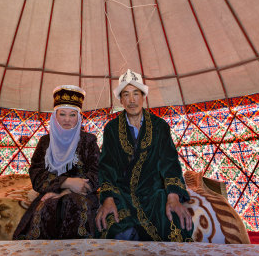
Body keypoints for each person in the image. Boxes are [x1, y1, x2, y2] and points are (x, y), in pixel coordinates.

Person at [95, 69, 193, 241]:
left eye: (136, 94)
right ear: (121, 100)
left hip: (153, 193)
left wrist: (173, 196)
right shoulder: (111, 129)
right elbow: (107, 166)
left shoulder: (159, 126)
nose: (132, 100)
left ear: (143, 97)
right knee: (113, 229)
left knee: (172, 223)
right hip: (122, 194)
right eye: (126, 95)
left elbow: (169, 162)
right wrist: (108, 198)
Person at [13, 85, 100, 239]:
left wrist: (68, 190)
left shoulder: (88, 140)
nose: (67, 119)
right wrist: (65, 182)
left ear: (79, 117)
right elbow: (36, 174)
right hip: (50, 192)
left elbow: (97, 173)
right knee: (46, 208)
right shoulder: (45, 142)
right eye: (62, 114)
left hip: (82, 194)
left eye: (72, 115)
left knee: (76, 207)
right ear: (55, 116)